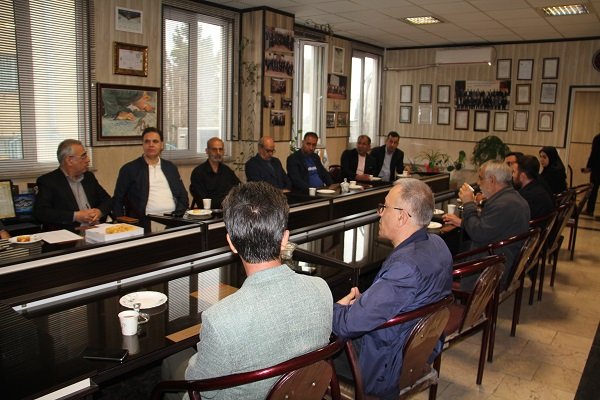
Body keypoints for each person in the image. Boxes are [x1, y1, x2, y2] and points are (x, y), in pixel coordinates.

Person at [165, 182, 333, 399]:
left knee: (171, 362)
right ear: (285, 239)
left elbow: (197, 385)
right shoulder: (321, 289)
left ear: (231, 243)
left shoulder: (220, 320)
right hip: (305, 392)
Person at [332, 179, 452, 399]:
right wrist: (369, 301)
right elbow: (407, 299)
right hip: (418, 349)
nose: (379, 213)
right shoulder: (438, 244)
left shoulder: (404, 268)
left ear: (402, 216)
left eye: (384, 207)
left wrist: (336, 309)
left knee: (311, 351)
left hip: (385, 363)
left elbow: (347, 325)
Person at [443, 160, 530, 289]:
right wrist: (462, 223)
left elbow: (478, 234)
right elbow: (488, 228)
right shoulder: (513, 198)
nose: (478, 183)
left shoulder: (504, 204)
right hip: (499, 257)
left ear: (492, 180)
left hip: (491, 268)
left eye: (480, 178)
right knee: (452, 253)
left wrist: (468, 203)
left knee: (439, 265)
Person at [113, 128, 188, 225]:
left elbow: (183, 195)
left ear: (162, 145)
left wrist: (179, 214)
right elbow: (118, 199)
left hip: (173, 220)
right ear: (143, 145)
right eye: (147, 141)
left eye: (155, 141)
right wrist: (121, 224)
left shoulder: (170, 167)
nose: (151, 145)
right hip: (145, 222)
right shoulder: (129, 169)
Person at [34, 139, 112, 231]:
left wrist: (99, 212)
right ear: (69, 160)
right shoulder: (48, 181)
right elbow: (41, 212)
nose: (88, 160)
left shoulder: (88, 177)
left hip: (96, 229)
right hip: (69, 233)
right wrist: (75, 216)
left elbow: (108, 200)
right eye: (83, 156)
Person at [190, 137, 241, 209]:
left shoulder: (227, 171)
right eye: (214, 150)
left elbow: (239, 189)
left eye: (220, 149)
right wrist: (227, 200)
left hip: (228, 210)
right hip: (209, 212)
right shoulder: (198, 173)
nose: (218, 153)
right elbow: (203, 202)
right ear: (207, 151)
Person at [514, 155, 555, 220]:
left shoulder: (524, 197)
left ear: (522, 176)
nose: (512, 175)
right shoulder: (539, 188)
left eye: (514, 172)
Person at [582, 132, 600, 217]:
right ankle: (589, 210)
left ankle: (589, 210)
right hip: (597, 168)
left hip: (597, 169)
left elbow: (594, 154)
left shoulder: (598, 138)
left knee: (593, 189)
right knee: (593, 190)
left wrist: (589, 167)